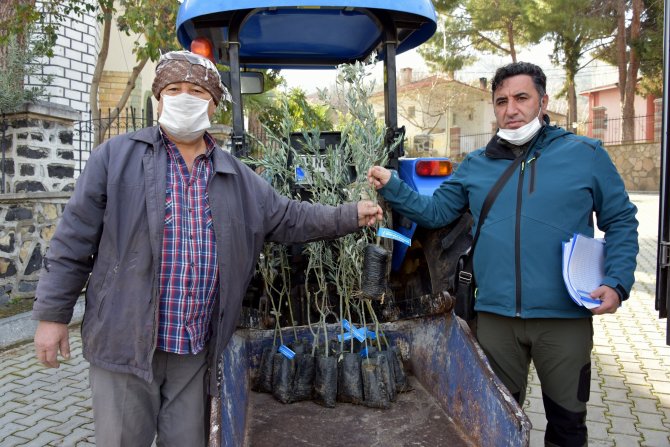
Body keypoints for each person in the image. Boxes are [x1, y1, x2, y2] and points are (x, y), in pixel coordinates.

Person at [32, 50, 383, 447]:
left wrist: (351, 215)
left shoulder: (237, 176)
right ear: (158, 99)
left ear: (213, 103)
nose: (184, 97)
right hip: (125, 346)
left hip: (194, 350)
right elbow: (73, 239)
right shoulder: (116, 158)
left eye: (197, 90)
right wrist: (52, 315)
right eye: (173, 89)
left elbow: (290, 218)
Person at [367, 62, 638, 447]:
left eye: (521, 98)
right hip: (495, 321)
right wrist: (394, 185)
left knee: (567, 426)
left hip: (563, 319)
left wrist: (616, 282)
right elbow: (437, 212)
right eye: (501, 101)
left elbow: (622, 220)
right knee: (495, 425)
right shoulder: (476, 165)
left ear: (543, 102)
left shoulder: (585, 154)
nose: (511, 109)